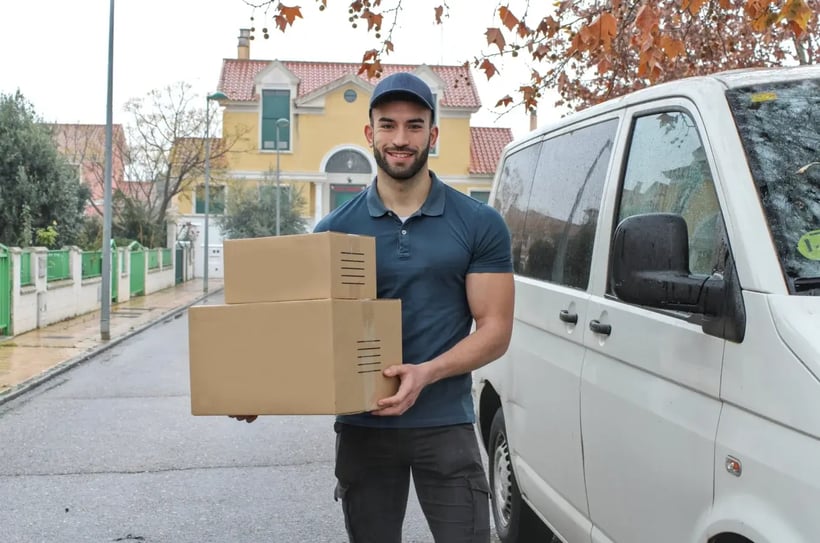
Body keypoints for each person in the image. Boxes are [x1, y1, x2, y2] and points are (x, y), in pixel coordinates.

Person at [234, 72, 514, 543]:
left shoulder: (479, 223)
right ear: (370, 133)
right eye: (388, 125)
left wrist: (425, 372)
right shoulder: (333, 230)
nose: (400, 139)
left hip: (444, 422)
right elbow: (307, 327)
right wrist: (260, 388)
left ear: (433, 134)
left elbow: (495, 329)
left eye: (414, 125)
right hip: (363, 426)